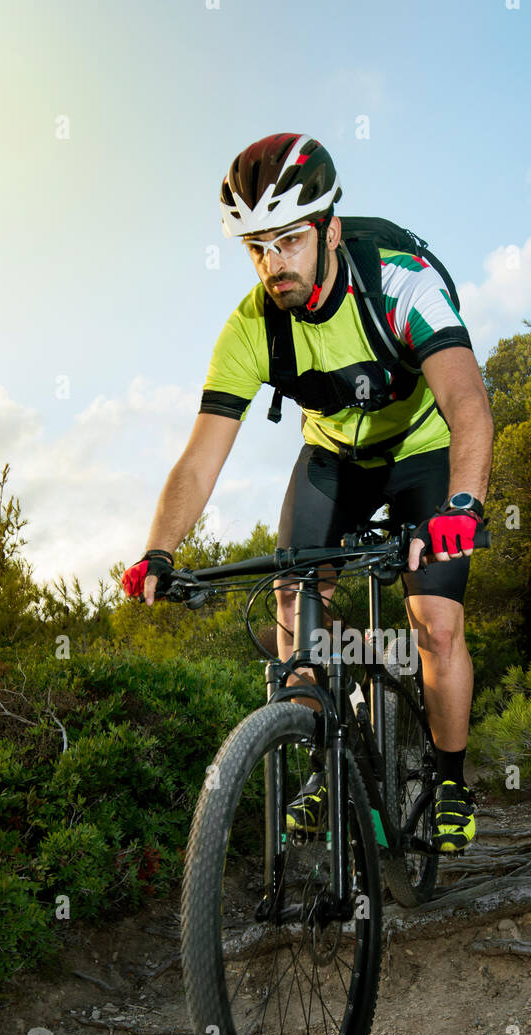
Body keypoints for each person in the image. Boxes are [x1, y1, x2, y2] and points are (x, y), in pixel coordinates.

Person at [122, 133, 493, 852]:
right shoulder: (250, 326)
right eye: (255, 246)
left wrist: (461, 507)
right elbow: (200, 457)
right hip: (333, 461)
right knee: (295, 601)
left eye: (288, 240)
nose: (272, 264)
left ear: (329, 229)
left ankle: (450, 779)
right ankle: (323, 755)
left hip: (423, 455)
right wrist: (158, 552)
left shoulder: (399, 280)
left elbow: (468, 402)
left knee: (436, 626)